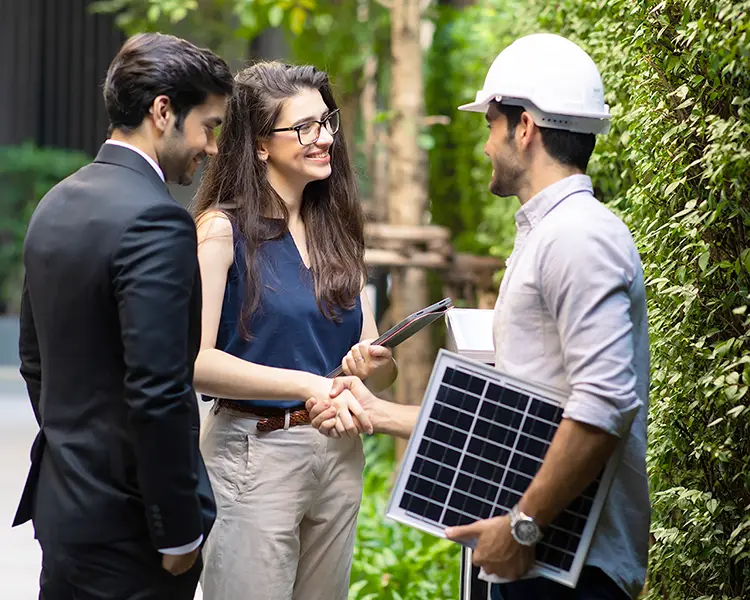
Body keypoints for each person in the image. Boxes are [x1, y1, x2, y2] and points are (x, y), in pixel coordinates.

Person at [307, 33, 650, 600]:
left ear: (525, 128)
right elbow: (516, 417)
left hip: (567, 569)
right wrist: (379, 412)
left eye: (489, 125)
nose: (485, 146)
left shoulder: (579, 238)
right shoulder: (548, 235)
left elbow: (604, 404)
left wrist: (523, 526)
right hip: (535, 557)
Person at [13, 32, 234, 600]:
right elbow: (158, 392)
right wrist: (178, 533)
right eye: (208, 126)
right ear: (163, 111)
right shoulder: (157, 220)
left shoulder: (56, 201)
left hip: (64, 510)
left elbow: (34, 362)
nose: (211, 147)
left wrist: (79, 456)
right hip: (131, 533)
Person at [190, 61, 397, 600]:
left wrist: (373, 364)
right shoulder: (220, 230)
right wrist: (308, 384)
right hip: (254, 453)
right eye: (303, 128)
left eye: (326, 121)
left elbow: (375, 361)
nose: (324, 137)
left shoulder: (339, 230)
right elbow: (195, 362)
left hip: (339, 452)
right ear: (260, 145)